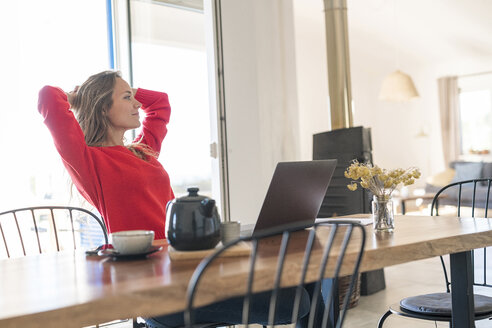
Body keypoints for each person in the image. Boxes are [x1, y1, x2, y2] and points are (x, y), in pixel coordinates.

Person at [38, 70, 174, 239]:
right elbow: (48, 96)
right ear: (103, 107)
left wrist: (122, 89)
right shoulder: (88, 161)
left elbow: (159, 102)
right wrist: (78, 97)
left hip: (174, 252)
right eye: (127, 98)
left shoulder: (143, 151)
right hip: (138, 260)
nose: (137, 104)